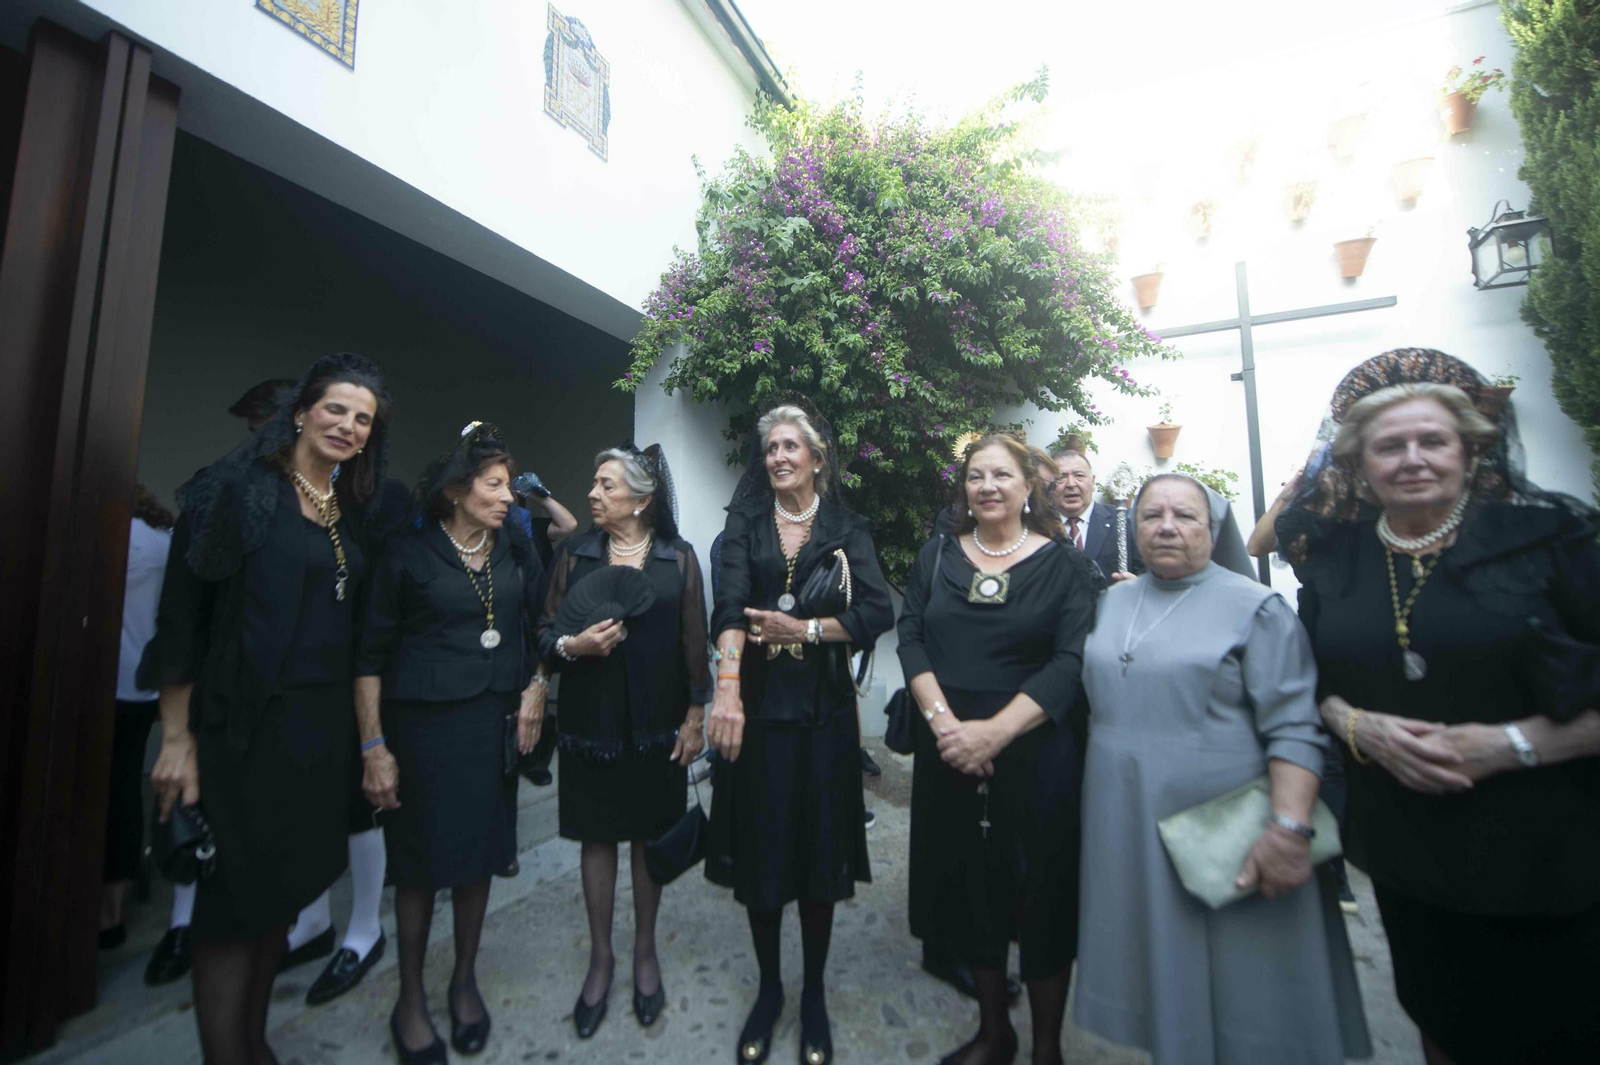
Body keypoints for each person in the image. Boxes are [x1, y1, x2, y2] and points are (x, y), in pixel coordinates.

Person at [1277, 348, 1600, 1065]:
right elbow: (1313, 681)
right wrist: (1356, 725)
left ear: (1471, 450)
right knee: (1444, 1022)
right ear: (1359, 464)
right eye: (1390, 446)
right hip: (1408, 849)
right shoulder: (1338, 559)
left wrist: (1511, 744)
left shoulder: (1549, 542)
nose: (1413, 459)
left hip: (1546, 848)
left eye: (1433, 441)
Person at [141, 353, 393, 1065]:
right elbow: (181, 621)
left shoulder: (347, 512)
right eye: (336, 409)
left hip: (313, 742)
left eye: (363, 419)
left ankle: (255, 1046)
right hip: (239, 737)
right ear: (302, 411)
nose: (348, 425)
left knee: (275, 902)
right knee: (230, 910)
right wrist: (177, 739)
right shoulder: (237, 490)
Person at [1072, 472, 1371, 1065]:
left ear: (1212, 528)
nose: (1166, 527)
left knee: (1245, 984)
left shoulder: (1256, 608)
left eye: (1184, 515)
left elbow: (1294, 725)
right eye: (1152, 515)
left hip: (1227, 829)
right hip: (1126, 817)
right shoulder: (1113, 602)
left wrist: (1289, 828)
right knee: (1158, 964)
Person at [897, 433, 1099, 1065]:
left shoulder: (1064, 565)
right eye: (975, 476)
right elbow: (911, 637)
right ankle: (994, 1033)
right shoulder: (936, 556)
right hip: (951, 752)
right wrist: (945, 725)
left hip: (1037, 756)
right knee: (972, 893)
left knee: (1042, 898)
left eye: (1002, 475)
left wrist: (996, 731)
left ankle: (1046, 1048)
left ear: (1028, 486)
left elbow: (1072, 661)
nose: (987, 486)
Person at [705, 400, 894, 1065]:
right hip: (756, 714)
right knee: (761, 854)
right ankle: (770, 989)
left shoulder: (847, 527)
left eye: (791, 446)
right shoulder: (745, 522)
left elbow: (877, 611)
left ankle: (813, 993)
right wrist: (727, 690)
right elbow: (729, 609)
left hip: (823, 716)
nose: (779, 456)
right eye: (771, 448)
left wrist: (807, 629)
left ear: (817, 457)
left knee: (818, 856)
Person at [355, 422, 546, 1063]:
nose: (508, 498)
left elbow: (541, 622)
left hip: (493, 726)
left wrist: (536, 685)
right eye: (495, 485)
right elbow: (368, 657)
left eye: (508, 486)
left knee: (479, 858)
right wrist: (374, 747)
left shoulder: (513, 548)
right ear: (457, 490)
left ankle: (464, 980)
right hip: (422, 733)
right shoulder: (406, 554)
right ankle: (409, 997)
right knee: (418, 868)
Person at [536, 445, 708, 1037]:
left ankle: (644, 952)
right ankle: (601, 958)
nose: (592, 493)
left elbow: (694, 641)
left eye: (606, 485)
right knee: (597, 838)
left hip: (659, 725)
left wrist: (695, 716)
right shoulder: (575, 555)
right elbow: (544, 632)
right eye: (594, 482)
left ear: (640, 499)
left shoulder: (678, 559)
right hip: (592, 723)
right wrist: (573, 646)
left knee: (650, 837)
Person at [99, 487, 175, 953]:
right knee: (126, 789)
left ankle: (106, 909)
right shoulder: (164, 537)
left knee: (106, 796)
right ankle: (118, 903)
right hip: (150, 685)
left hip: (110, 685)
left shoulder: (114, 537)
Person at [1050, 449, 1142, 582]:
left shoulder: (1126, 520)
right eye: (1061, 477)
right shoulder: (1039, 527)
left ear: (1093, 482)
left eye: (1079, 475)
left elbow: (1149, 575)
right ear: (1049, 485)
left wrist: (1136, 585)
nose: (1071, 484)